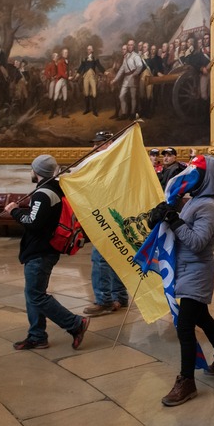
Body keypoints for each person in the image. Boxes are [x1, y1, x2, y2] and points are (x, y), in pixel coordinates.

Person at [148, 155, 214, 407]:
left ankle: (186, 381)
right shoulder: (196, 201)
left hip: (197, 271)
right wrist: (165, 215)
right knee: (202, 317)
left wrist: (174, 219)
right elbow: (181, 229)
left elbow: (198, 243)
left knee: (185, 326)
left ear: (206, 178)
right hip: (186, 268)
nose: (189, 176)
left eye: (195, 172)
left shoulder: (208, 206)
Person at [4, 154, 90, 351]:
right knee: (32, 293)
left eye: (32, 169)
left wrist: (15, 211)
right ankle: (37, 336)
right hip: (42, 249)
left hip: (40, 251)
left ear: (36, 172)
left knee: (36, 295)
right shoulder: (52, 189)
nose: (31, 172)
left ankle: (75, 324)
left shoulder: (44, 193)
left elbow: (33, 223)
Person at [83, 131, 129, 316]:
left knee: (101, 259)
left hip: (110, 217)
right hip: (108, 215)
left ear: (109, 144)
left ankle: (104, 300)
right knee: (114, 259)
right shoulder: (110, 163)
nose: (93, 148)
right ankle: (120, 296)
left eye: (98, 144)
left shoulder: (113, 164)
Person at [111, 39, 143, 120]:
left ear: (134, 46)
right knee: (121, 96)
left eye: (131, 45)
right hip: (126, 79)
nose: (130, 46)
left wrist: (135, 74)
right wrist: (115, 79)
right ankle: (124, 114)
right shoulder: (126, 57)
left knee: (133, 97)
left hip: (133, 78)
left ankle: (132, 113)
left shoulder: (136, 56)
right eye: (128, 45)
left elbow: (140, 66)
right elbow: (122, 69)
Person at [77, 44, 105, 116]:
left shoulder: (95, 59)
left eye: (90, 49)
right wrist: (77, 74)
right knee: (86, 93)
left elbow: (99, 66)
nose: (88, 50)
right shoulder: (84, 59)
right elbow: (81, 67)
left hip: (92, 77)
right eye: (88, 49)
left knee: (94, 93)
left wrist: (104, 71)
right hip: (85, 77)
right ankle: (87, 109)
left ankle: (94, 110)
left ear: (92, 50)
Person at [50, 48, 71, 119]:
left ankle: (63, 113)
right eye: (65, 53)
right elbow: (61, 72)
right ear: (62, 54)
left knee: (65, 97)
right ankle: (52, 113)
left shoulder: (67, 61)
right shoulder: (60, 61)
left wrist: (68, 77)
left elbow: (66, 71)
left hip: (64, 81)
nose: (66, 54)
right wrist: (67, 77)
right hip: (59, 80)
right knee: (56, 96)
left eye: (67, 52)